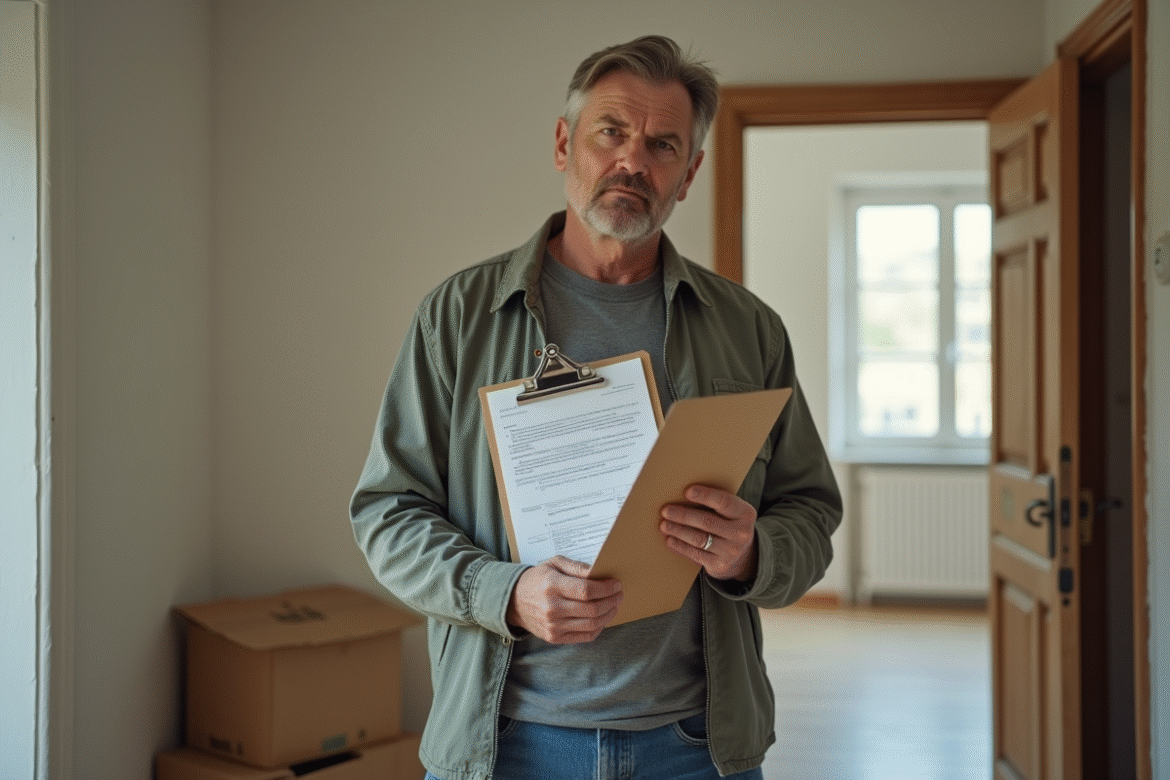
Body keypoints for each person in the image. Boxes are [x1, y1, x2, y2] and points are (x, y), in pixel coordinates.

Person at [350, 35, 842, 780]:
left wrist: (751, 555)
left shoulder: (748, 329)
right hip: (507, 745)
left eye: (663, 145)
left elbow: (809, 511)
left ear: (690, 171)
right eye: (611, 132)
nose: (633, 162)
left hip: (698, 749)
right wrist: (505, 592)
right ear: (563, 144)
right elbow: (387, 514)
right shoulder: (458, 317)